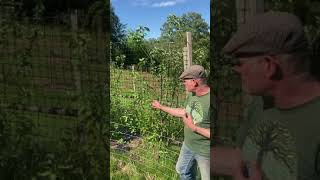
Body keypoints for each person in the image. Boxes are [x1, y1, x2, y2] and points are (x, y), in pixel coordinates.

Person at [211, 12, 320, 180]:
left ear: (269, 66)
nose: (236, 70)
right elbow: (241, 158)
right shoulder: (263, 102)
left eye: (240, 63)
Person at [152, 65, 210, 180]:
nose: (184, 83)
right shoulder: (192, 95)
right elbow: (184, 112)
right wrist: (161, 107)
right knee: (182, 170)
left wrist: (194, 128)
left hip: (205, 151)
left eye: (185, 81)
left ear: (194, 82)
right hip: (188, 145)